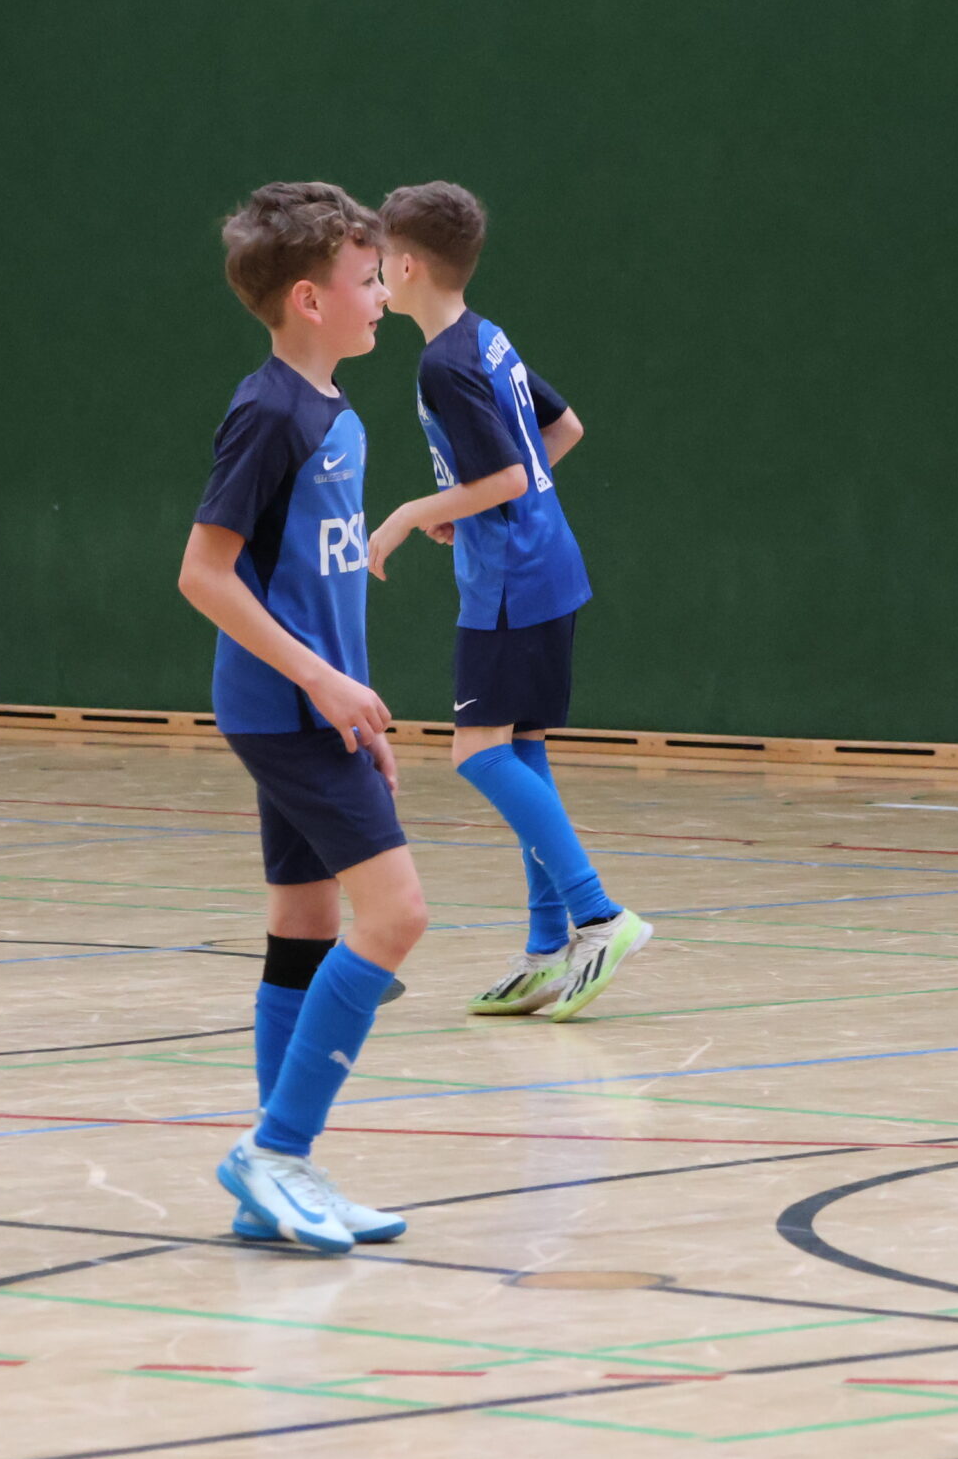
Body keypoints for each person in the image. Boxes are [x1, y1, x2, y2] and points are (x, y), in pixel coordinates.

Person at [177, 181, 422, 1254]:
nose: (383, 296)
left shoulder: (335, 412)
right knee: (397, 915)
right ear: (310, 299)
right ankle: (274, 1149)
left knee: (305, 926)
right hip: (282, 707)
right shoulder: (269, 412)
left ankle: (274, 1182)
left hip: (317, 711)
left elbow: (319, 587)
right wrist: (321, 684)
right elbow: (204, 573)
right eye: (368, 280)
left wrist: (355, 706)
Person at [367, 180, 650, 1021]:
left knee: (477, 752)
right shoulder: (487, 338)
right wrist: (474, 507)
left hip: (511, 584)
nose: (377, 276)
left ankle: (599, 915)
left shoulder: (442, 362)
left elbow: (509, 475)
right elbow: (562, 431)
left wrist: (413, 512)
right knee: (520, 748)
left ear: (407, 267)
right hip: (545, 563)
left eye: (380, 261)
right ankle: (544, 948)